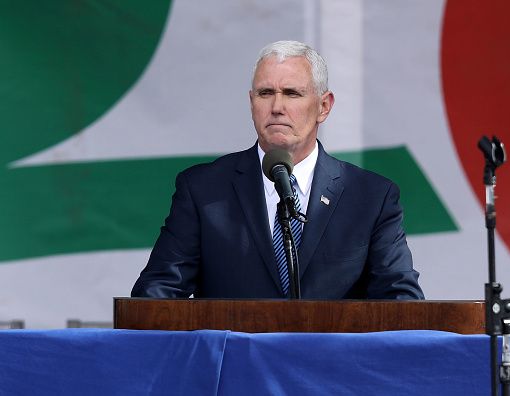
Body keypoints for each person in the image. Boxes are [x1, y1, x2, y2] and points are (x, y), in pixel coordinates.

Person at [131, 40, 424, 300]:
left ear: (324, 106)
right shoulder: (203, 189)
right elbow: (157, 293)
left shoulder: (371, 197)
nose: (277, 107)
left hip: (331, 362)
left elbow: (400, 301)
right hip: (237, 360)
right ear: (251, 103)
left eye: (292, 93)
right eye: (265, 92)